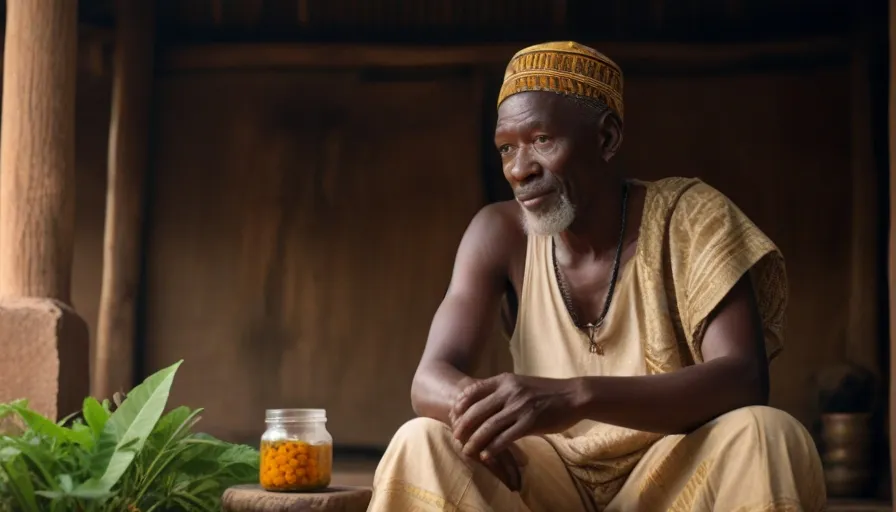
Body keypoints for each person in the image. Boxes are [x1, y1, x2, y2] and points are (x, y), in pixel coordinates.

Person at [366, 41, 825, 511]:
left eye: (542, 140)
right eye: (507, 148)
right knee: (421, 440)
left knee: (768, 434)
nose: (520, 169)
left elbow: (743, 379)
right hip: (545, 477)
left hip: (674, 471)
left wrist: (577, 396)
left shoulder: (691, 218)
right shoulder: (499, 232)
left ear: (606, 139)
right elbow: (429, 380)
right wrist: (482, 418)